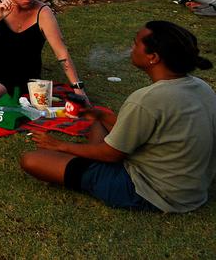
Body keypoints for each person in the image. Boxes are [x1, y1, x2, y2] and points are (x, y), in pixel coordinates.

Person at [19, 20, 216, 212]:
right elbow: (144, 130)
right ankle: (85, 162)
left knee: (32, 160)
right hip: (191, 192)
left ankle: (87, 172)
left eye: (136, 43)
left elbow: (112, 154)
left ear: (153, 57)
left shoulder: (146, 100)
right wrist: (98, 115)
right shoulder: (201, 87)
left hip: (149, 192)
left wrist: (59, 146)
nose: (132, 47)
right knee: (96, 121)